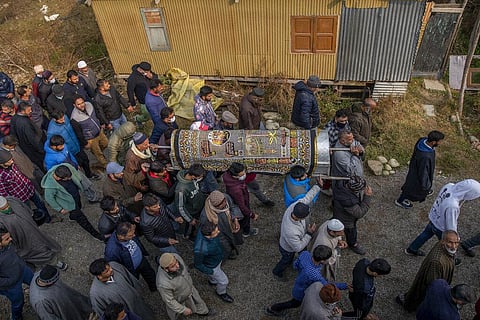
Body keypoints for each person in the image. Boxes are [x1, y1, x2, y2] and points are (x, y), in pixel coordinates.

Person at [405, 179, 480, 257]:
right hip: (441, 227)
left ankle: (412, 249)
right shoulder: (453, 206)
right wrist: (455, 237)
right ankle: (451, 258)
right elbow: (451, 226)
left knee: (425, 234)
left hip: (434, 218)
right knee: (447, 244)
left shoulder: (449, 185)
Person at [267, 245, 347, 316]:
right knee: (295, 303)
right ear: (322, 261)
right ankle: (274, 308)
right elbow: (327, 285)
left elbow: (295, 264)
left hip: (299, 282)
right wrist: (345, 286)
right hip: (300, 292)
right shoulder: (314, 274)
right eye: (328, 258)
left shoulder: (305, 254)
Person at [272, 177, 322, 281]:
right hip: (287, 249)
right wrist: (309, 233)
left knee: (289, 259)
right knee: (286, 260)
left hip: (289, 242)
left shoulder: (295, 206)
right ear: (301, 217)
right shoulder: (291, 231)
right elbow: (298, 247)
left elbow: (307, 198)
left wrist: (318, 186)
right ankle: (277, 272)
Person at [397, 230, 459, 313]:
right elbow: (433, 282)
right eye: (450, 242)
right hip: (429, 285)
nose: (454, 246)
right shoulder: (436, 261)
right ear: (443, 241)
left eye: (456, 243)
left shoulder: (444, 249)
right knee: (420, 296)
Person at [41, 164, 104, 241]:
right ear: (58, 178)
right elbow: (49, 199)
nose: (70, 178)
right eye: (67, 178)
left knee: (79, 207)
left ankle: (72, 217)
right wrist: (60, 209)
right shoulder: (50, 187)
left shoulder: (65, 167)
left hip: (76, 197)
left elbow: (74, 171)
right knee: (83, 220)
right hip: (69, 205)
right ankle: (96, 235)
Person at [0, 196, 64, 269]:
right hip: (24, 240)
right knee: (37, 252)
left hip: (33, 230)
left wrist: (32, 215)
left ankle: (51, 259)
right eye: (4, 209)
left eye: (7, 205)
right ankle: (52, 263)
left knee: (44, 243)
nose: (8, 208)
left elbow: (24, 207)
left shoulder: (12, 200)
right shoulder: (1, 221)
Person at [89, 258, 155, 320]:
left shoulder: (115, 266)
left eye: (109, 267)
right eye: (107, 271)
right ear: (99, 276)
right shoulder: (96, 293)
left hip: (138, 302)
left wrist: (138, 293)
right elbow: (102, 313)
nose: (111, 269)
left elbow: (130, 278)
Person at [395, 130, 445, 209]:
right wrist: (426, 186)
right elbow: (424, 173)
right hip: (418, 173)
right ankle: (400, 200)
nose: (440, 143)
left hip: (414, 166)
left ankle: (425, 190)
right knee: (411, 187)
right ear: (433, 142)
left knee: (412, 184)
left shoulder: (422, 140)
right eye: (439, 142)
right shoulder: (425, 156)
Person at [0, 149, 51, 223]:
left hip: (29, 188)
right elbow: (3, 193)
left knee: (41, 204)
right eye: (9, 161)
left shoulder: (12, 164)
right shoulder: (1, 175)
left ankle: (48, 219)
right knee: (28, 213)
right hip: (20, 197)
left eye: (11, 159)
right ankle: (34, 226)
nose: (12, 161)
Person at [157, 252, 213, 319]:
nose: (177, 266)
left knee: (198, 302)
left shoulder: (176, 257)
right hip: (179, 299)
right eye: (173, 266)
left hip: (191, 290)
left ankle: (204, 312)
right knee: (176, 314)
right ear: (166, 269)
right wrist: (182, 309)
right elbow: (169, 301)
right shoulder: (163, 284)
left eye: (176, 262)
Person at [105, 222, 157, 292]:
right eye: (130, 235)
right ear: (121, 237)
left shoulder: (129, 232)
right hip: (131, 269)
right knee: (134, 282)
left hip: (142, 260)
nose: (134, 236)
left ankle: (154, 288)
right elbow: (114, 265)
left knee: (150, 274)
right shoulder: (112, 250)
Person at [47, 109, 98, 180]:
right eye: (61, 120)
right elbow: (54, 145)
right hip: (69, 151)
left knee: (85, 160)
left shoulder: (64, 117)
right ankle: (81, 179)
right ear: (54, 119)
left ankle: (89, 174)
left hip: (77, 145)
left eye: (63, 118)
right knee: (76, 166)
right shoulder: (52, 131)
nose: (64, 120)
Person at [194, 221, 234, 303]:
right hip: (212, 266)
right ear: (208, 235)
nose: (218, 232)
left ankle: (212, 281)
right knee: (224, 281)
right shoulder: (200, 249)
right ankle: (221, 292)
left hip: (215, 261)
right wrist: (210, 271)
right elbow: (198, 264)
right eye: (215, 232)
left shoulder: (204, 230)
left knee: (214, 275)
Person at [0, 226, 34, 320]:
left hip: (23, 270)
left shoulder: (7, 244)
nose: (10, 239)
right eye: (7, 239)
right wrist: (11, 281)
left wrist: (22, 264)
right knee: (18, 303)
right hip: (11, 286)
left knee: (35, 283)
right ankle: (16, 317)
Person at [332, 176, 372, 255]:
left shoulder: (341, 182)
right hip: (347, 221)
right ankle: (353, 244)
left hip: (338, 211)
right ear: (355, 190)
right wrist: (367, 197)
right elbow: (359, 213)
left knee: (336, 220)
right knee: (351, 232)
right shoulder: (348, 201)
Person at [199, 190, 242, 260]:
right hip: (220, 235)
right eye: (221, 205)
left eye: (224, 202)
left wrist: (235, 219)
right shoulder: (206, 216)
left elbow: (233, 207)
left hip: (231, 226)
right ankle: (228, 254)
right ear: (215, 206)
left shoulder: (225, 197)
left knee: (234, 239)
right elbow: (207, 231)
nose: (225, 204)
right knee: (226, 247)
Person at [223, 162, 260, 238]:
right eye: (242, 175)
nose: (244, 175)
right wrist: (252, 215)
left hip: (235, 200)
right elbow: (242, 206)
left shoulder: (228, 177)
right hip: (240, 204)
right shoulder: (237, 190)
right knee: (245, 219)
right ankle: (246, 232)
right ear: (235, 176)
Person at [70, 95, 108, 167]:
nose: (82, 105)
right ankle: (106, 165)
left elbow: (97, 113)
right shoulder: (74, 118)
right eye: (79, 104)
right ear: (74, 105)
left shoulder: (89, 105)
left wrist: (102, 122)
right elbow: (79, 133)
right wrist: (85, 143)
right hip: (90, 138)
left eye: (82, 102)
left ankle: (98, 153)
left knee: (105, 144)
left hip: (99, 131)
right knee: (98, 153)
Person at [10, 101, 46, 172]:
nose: (31, 111)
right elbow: (32, 139)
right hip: (33, 149)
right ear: (23, 111)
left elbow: (13, 133)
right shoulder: (25, 123)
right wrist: (41, 149)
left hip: (23, 146)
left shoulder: (14, 118)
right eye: (29, 110)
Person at [174, 163, 208, 239]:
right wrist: (190, 219)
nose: (201, 178)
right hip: (192, 211)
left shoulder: (192, 178)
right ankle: (187, 235)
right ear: (193, 176)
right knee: (190, 225)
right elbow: (180, 207)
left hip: (198, 205)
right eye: (200, 176)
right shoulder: (181, 189)